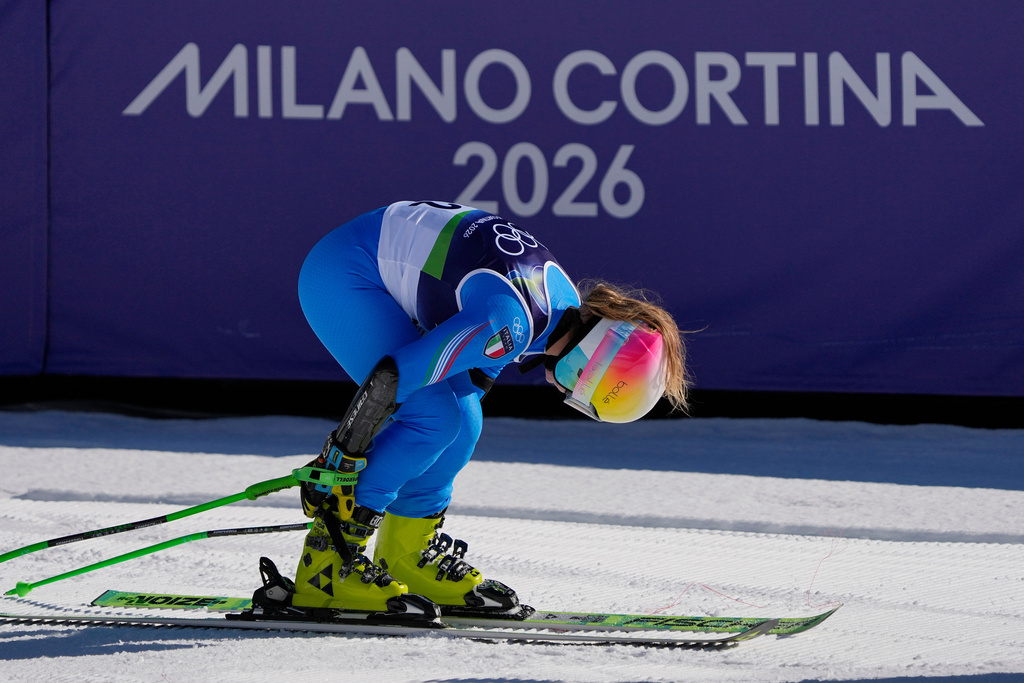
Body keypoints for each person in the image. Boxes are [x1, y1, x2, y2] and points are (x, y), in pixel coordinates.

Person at [261, 200, 690, 618]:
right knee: (435, 419)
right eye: (600, 395)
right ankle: (327, 568)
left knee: (462, 422)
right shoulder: (512, 325)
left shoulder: (558, 301)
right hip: (344, 272)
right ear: (587, 367)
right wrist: (340, 455)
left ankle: (407, 555)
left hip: (370, 252)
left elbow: (464, 384)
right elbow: (394, 379)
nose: (583, 401)